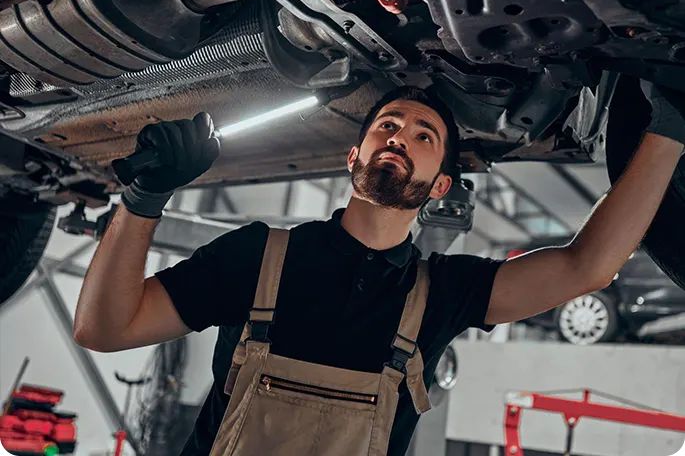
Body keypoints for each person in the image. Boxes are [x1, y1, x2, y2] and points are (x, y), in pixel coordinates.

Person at [73, 81, 685, 456]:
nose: (399, 136)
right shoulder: (257, 254)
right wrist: (144, 199)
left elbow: (588, 267)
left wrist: (667, 130)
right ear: (354, 156)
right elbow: (104, 328)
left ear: (440, 184)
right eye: (387, 126)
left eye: (423, 136)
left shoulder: (443, 292)